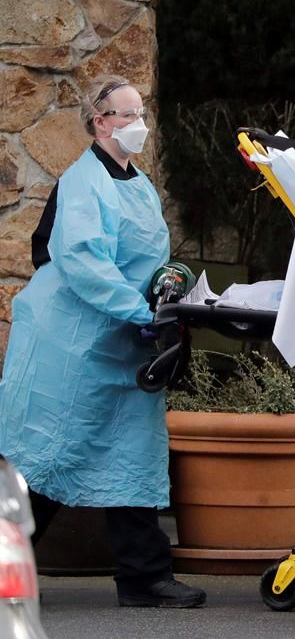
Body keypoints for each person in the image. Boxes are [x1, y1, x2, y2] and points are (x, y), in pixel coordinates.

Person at [0, 75, 206, 609]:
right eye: (129, 114)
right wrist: (142, 313)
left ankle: (144, 577)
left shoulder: (136, 182)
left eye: (142, 112)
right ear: (101, 122)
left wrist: (171, 282)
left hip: (122, 343)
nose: (140, 123)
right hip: (71, 344)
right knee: (46, 459)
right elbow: (84, 261)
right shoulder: (83, 181)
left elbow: (146, 255)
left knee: (133, 458)